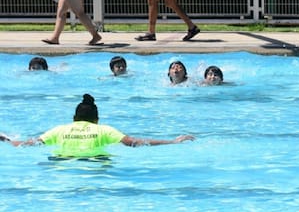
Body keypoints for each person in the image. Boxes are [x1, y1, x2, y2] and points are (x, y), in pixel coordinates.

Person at [3, 93, 194, 157]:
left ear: (74, 118)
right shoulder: (104, 130)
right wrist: (173, 142)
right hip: (97, 173)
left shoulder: (60, 129)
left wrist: (6, 140)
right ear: (97, 119)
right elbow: (135, 143)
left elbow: (28, 144)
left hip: (63, 169)